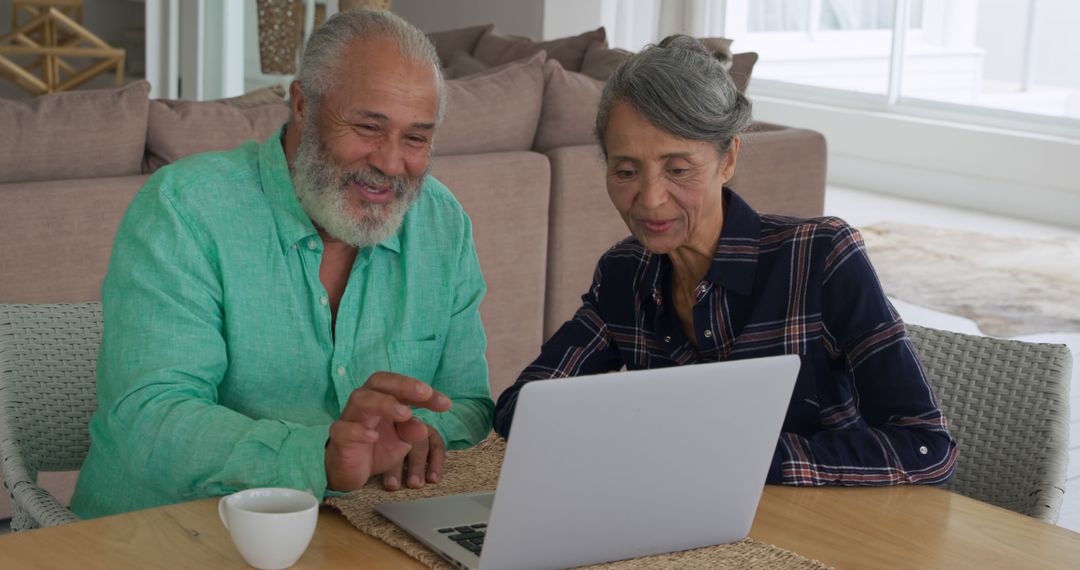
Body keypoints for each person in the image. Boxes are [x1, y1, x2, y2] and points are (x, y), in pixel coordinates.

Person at [71, 10, 493, 519]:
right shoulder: (186, 209)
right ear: (302, 105)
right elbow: (151, 418)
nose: (389, 162)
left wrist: (421, 437)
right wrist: (321, 457)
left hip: (356, 533)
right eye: (367, 127)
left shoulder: (443, 224)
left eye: (416, 138)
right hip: (169, 532)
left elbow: (468, 405)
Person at [493, 35, 958, 486]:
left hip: (824, 535)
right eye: (626, 171)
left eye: (678, 170)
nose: (651, 200)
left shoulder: (821, 256)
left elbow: (925, 448)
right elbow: (523, 408)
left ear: (728, 157)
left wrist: (733, 454)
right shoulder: (624, 272)